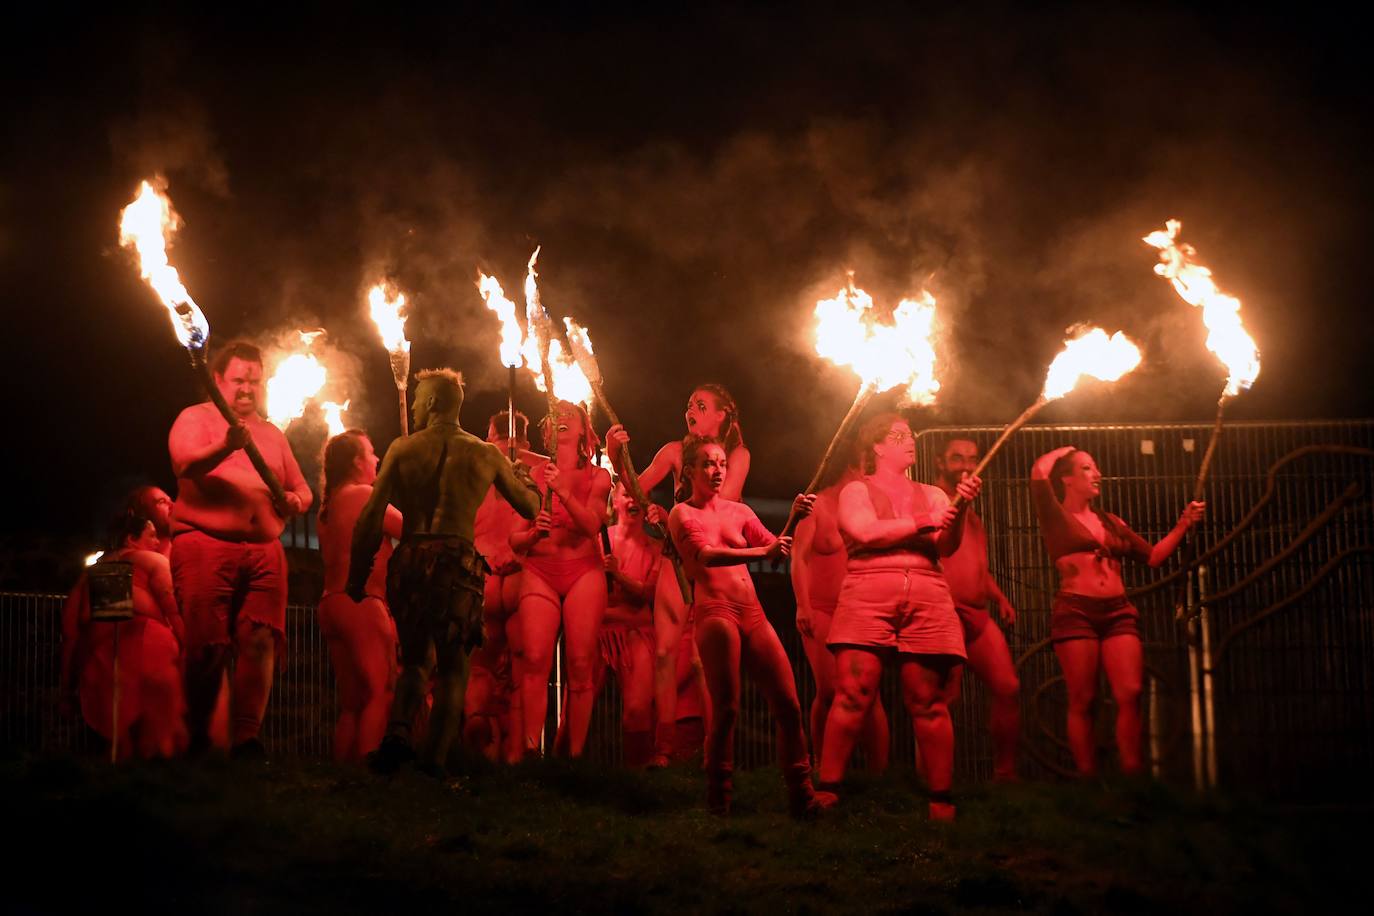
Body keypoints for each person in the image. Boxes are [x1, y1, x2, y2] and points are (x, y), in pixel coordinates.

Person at [349, 369, 540, 777]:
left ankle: (399, 737)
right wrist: (528, 483)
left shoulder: (403, 449)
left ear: (434, 402)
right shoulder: (485, 454)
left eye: (419, 398)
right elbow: (530, 508)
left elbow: (370, 517)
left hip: (413, 557)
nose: (414, 405)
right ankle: (432, 762)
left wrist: (356, 574)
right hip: (456, 563)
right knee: (454, 668)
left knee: (416, 662)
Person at [818, 413, 981, 821]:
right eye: (898, 436)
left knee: (929, 699)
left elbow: (946, 547)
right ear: (876, 447)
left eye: (910, 435)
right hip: (868, 588)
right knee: (853, 692)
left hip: (927, 590)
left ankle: (941, 796)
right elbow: (866, 532)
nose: (910, 441)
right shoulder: (856, 490)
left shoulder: (934, 494)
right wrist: (925, 521)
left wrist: (958, 511)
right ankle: (828, 788)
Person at [167, 339, 312, 757]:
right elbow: (185, 465)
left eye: (254, 380)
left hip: (265, 550)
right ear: (217, 380)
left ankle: (246, 737)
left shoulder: (271, 434)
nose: (247, 388)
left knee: (260, 643)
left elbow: (301, 488)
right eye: (238, 380)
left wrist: (295, 502)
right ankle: (198, 735)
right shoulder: (196, 418)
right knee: (208, 647)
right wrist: (226, 445)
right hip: (206, 545)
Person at [669, 436, 828, 816]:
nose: (717, 470)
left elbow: (776, 549)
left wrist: (795, 517)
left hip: (752, 612)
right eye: (708, 463)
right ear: (690, 471)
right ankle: (718, 799)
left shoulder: (739, 512)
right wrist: (762, 552)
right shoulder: (682, 514)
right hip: (716, 613)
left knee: (788, 705)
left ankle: (802, 793)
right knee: (726, 710)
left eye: (721, 462)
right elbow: (705, 556)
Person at [1031, 446, 1205, 777]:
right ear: (1067, 479)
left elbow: (1153, 557)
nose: (1096, 474)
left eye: (1094, 468)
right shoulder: (1054, 514)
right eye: (1086, 468)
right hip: (1076, 611)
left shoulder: (1111, 521)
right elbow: (1038, 473)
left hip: (1118, 612)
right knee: (1084, 699)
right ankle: (1089, 779)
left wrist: (1184, 524)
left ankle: (1133, 773)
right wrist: (1064, 450)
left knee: (1131, 692)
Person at [605, 383, 745, 766]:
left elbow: (723, 506)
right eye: (689, 404)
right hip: (674, 557)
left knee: (703, 661)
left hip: (712, 561)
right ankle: (663, 749)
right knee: (666, 652)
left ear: (722, 415)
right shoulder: (673, 452)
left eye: (701, 405)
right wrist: (616, 455)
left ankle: (716, 752)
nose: (691, 410)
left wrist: (672, 518)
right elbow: (635, 488)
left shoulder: (736, 455)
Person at [510, 401, 612, 758]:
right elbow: (515, 538)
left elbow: (592, 526)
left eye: (571, 414)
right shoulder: (531, 476)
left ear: (585, 430)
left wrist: (564, 493)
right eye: (555, 415)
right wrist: (532, 534)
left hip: (583, 569)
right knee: (535, 658)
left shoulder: (599, 477)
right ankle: (529, 750)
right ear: (547, 432)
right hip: (540, 570)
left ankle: (573, 755)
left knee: (581, 665)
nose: (562, 418)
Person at [60, 512, 186, 759]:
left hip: (98, 660)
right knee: (153, 741)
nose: (157, 542)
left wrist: (67, 687)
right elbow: (173, 609)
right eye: (150, 536)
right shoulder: (152, 560)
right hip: (149, 650)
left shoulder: (87, 575)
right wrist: (190, 646)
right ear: (131, 538)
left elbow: (70, 631)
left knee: (117, 741)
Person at [932, 438, 1021, 782]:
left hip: (978, 614)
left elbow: (976, 565)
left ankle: (1005, 774)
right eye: (957, 458)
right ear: (940, 462)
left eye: (972, 458)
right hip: (946, 612)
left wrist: (999, 597)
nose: (966, 464)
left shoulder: (975, 516)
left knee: (1008, 686)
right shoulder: (937, 501)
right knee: (944, 698)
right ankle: (936, 783)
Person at [792, 464, 890, 774]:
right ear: (849, 467)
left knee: (870, 693)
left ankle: (879, 775)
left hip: (860, 608)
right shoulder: (816, 504)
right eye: (864, 468)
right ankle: (823, 767)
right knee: (830, 689)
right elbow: (798, 557)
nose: (868, 476)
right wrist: (803, 605)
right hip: (821, 608)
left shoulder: (873, 504)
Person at [317, 430, 402, 762]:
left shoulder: (330, 505)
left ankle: (344, 774)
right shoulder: (364, 495)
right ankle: (368, 770)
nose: (377, 459)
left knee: (353, 701)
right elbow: (407, 529)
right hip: (361, 600)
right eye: (371, 453)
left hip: (331, 603)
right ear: (356, 462)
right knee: (380, 691)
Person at [465, 409, 544, 763]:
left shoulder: (473, 463)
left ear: (489, 433)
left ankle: (479, 750)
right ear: (526, 439)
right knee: (522, 672)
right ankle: (516, 757)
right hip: (518, 572)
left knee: (479, 668)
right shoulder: (540, 466)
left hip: (480, 572)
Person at [593, 481, 662, 767]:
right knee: (575, 709)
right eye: (627, 494)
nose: (634, 500)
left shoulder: (655, 548)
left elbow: (649, 592)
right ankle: (562, 773)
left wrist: (618, 576)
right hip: (597, 632)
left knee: (637, 709)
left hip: (637, 632)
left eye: (640, 496)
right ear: (615, 502)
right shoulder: (597, 540)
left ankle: (640, 779)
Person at [126, 486, 174, 557]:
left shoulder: (187, 550)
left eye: (171, 501)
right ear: (142, 514)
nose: (173, 505)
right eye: (162, 501)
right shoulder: (133, 563)